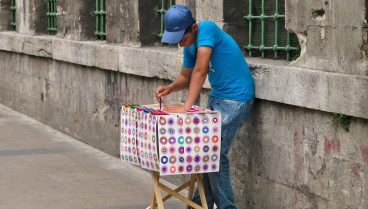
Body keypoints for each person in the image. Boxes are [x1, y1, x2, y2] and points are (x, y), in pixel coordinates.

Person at [155, 5, 254, 209]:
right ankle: (202, 204)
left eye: (183, 39)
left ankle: (226, 207)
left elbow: (200, 70)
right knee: (203, 153)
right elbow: (185, 76)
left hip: (236, 99)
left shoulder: (207, 28)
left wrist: (186, 108)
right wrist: (170, 88)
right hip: (217, 98)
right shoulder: (189, 45)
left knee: (215, 154)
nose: (182, 44)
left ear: (193, 27)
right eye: (178, 42)